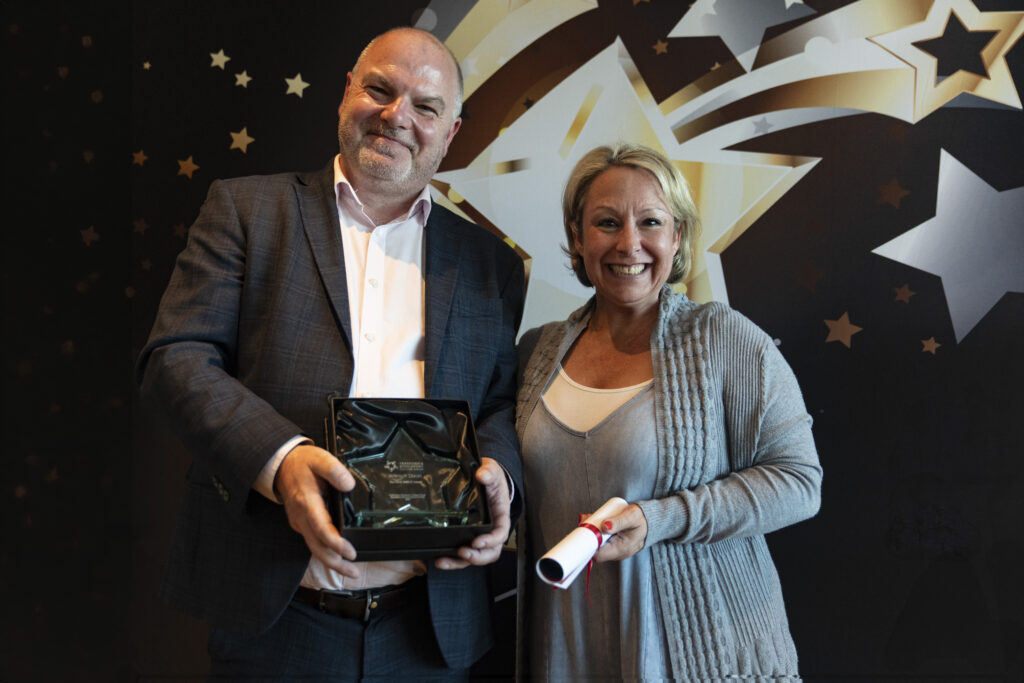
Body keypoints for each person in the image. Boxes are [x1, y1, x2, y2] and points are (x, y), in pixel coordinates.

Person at [137, 27, 525, 680]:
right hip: (278, 615)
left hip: (429, 627)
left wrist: (500, 479)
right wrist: (280, 460)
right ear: (346, 93)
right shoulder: (247, 209)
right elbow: (175, 359)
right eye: (380, 89)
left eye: (426, 107)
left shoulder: (492, 264)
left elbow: (498, 403)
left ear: (451, 132)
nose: (396, 116)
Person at [515, 143, 822, 680]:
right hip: (565, 650)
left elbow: (799, 482)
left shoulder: (723, 339)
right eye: (607, 222)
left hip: (699, 656)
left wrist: (662, 518)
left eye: (651, 222)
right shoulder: (535, 352)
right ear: (578, 237)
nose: (628, 243)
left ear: (676, 236)